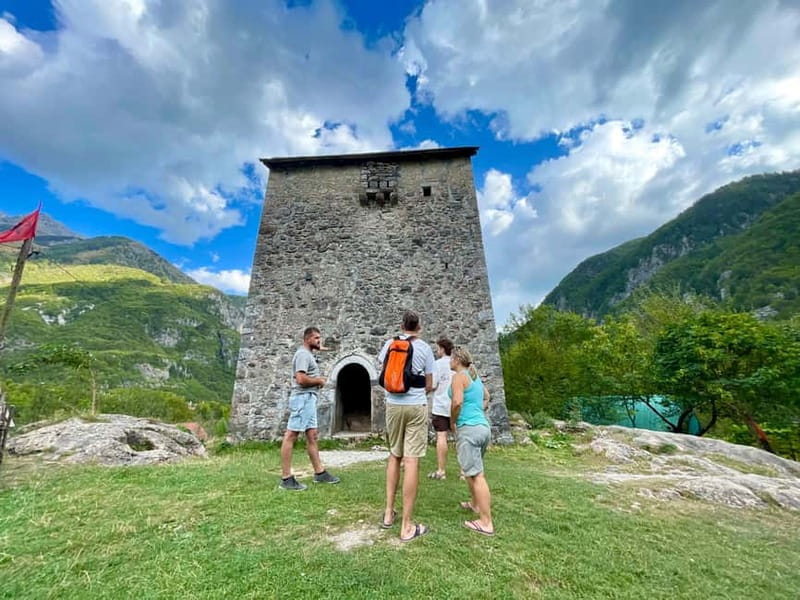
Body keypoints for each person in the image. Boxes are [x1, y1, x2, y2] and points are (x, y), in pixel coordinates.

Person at [378, 310, 435, 542]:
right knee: (411, 461)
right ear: (419, 327)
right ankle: (407, 526)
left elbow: (384, 372)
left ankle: (388, 514)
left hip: (393, 405)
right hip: (416, 405)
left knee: (395, 456)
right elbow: (429, 383)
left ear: (402, 326)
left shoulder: (389, 344)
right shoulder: (425, 349)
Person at [279, 326, 340, 491]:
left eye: (320, 338)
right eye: (316, 338)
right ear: (307, 339)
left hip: (309, 399)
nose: (320, 341)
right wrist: (319, 381)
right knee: (291, 435)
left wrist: (322, 347)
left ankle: (320, 473)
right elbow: (300, 378)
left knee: (312, 435)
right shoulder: (303, 355)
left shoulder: (308, 353)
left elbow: (318, 348)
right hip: (302, 398)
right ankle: (286, 478)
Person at [450, 346, 495, 536]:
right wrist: (478, 411)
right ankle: (475, 504)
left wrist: (453, 420)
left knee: (477, 475)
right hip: (483, 428)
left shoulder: (459, 377)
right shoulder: (474, 377)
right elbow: (487, 397)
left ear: (457, 360)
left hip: (469, 430)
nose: (450, 361)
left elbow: (457, 402)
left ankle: (486, 522)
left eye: (451, 358)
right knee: (471, 471)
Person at [428, 337, 454, 480]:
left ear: (442, 349)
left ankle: (441, 471)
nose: (437, 351)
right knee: (460, 438)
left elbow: (433, 385)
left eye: (438, 348)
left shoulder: (437, 364)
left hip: (440, 405)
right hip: (456, 405)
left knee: (441, 437)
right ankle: (464, 472)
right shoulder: (456, 363)